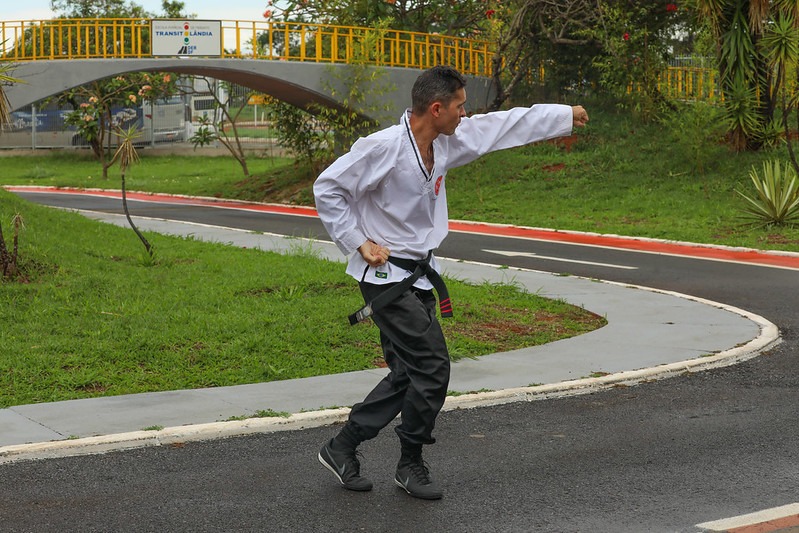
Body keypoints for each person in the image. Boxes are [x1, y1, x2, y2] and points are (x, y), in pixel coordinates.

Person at [313, 65, 589, 500]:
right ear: (436, 108)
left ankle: (342, 446)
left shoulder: (446, 141)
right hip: (384, 277)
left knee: (408, 372)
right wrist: (359, 241)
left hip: (419, 275)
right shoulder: (382, 147)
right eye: (460, 106)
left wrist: (561, 116)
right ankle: (410, 462)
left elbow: (501, 126)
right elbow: (328, 188)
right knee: (433, 366)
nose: (466, 113)